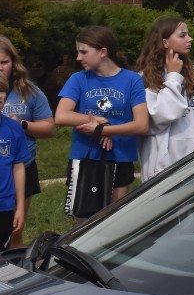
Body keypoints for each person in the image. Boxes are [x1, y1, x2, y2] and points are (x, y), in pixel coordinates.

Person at [54, 26, 150, 204]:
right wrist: (99, 121)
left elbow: (142, 125)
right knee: (84, 217)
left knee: (114, 217)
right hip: (85, 156)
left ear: (103, 51)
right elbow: (61, 116)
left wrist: (105, 130)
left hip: (119, 157)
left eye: (84, 52)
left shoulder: (132, 80)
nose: (78, 57)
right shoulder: (78, 79)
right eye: (78, 52)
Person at [135, 17, 194, 182]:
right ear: (165, 42)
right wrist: (173, 77)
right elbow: (164, 115)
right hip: (162, 165)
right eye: (182, 35)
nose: (190, 39)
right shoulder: (144, 79)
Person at [0, 35, 53, 249]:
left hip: (21, 165)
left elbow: (50, 128)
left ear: (14, 62)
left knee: (15, 230)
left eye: (4, 62)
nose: (0, 67)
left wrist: (22, 125)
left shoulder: (28, 91)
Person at [0, 72, 31, 247]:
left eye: (3, 91)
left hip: (5, 206)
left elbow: (18, 168)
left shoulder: (14, 129)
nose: (0, 96)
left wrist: (19, 207)